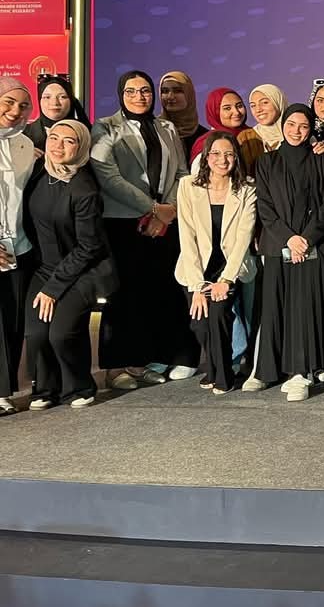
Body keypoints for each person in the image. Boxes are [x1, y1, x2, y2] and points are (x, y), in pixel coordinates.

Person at [90, 70, 199, 388]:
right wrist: (152, 208)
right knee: (124, 295)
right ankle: (117, 366)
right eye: (131, 91)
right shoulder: (105, 126)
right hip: (123, 223)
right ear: (121, 94)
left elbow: (181, 172)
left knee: (158, 291)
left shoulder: (166, 127)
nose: (139, 97)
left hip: (164, 223)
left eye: (145, 91)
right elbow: (108, 176)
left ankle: (145, 361)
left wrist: (167, 211)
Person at [252, 104, 324, 401]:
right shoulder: (267, 161)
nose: (297, 131)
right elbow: (265, 206)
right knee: (277, 309)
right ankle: (271, 370)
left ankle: (301, 372)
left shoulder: (323, 158)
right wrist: (289, 238)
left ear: (311, 129)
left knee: (306, 310)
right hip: (278, 245)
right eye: (291, 125)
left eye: (304, 126)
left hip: (316, 245)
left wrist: (305, 238)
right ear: (283, 126)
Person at [22, 120, 116, 411]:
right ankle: (46, 387)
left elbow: (89, 247)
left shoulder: (84, 188)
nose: (58, 146)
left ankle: (79, 386)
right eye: (54, 138)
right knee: (36, 333)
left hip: (83, 271)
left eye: (69, 141)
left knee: (60, 334)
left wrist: (53, 288)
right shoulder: (37, 173)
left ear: (81, 147)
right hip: (44, 268)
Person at [174, 132, 257, 395]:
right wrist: (198, 286)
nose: (223, 160)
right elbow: (186, 236)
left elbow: (244, 237)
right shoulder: (188, 186)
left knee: (219, 314)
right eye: (216, 154)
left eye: (229, 154)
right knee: (200, 322)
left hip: (230, 267)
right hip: (195, 267)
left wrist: (226, 280)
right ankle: (213, 367)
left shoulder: (247, 188)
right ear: (206, 157)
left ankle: (223, 375)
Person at [0, 79, 37, 416]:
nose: (15, 111)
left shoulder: (26, 145)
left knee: (13, 321)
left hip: (18, 247)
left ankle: (4, 389)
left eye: (23, 105)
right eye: (8, 102)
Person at [24, 74, 90, 158]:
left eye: (62, 97)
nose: (55, 103)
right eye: (47, 97)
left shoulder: (86, 134)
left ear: (71, 101)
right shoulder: (23, 135)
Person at [239, 83, 288, 177]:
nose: (258, 110)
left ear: (278, 102)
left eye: (265, 102)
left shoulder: (297, 133)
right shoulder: (246, 138)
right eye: (253, 105)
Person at [159, 71, 206, 161]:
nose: (170, 96)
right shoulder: (154, 130)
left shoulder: (205, 137)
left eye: (177, 91)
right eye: (165, 91)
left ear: (189, 94)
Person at [190, 87, 248, 161]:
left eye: (239, 106)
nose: (236, 112)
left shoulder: (253, 133)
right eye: (227, 108)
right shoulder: (207, 142)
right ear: (215, 112)